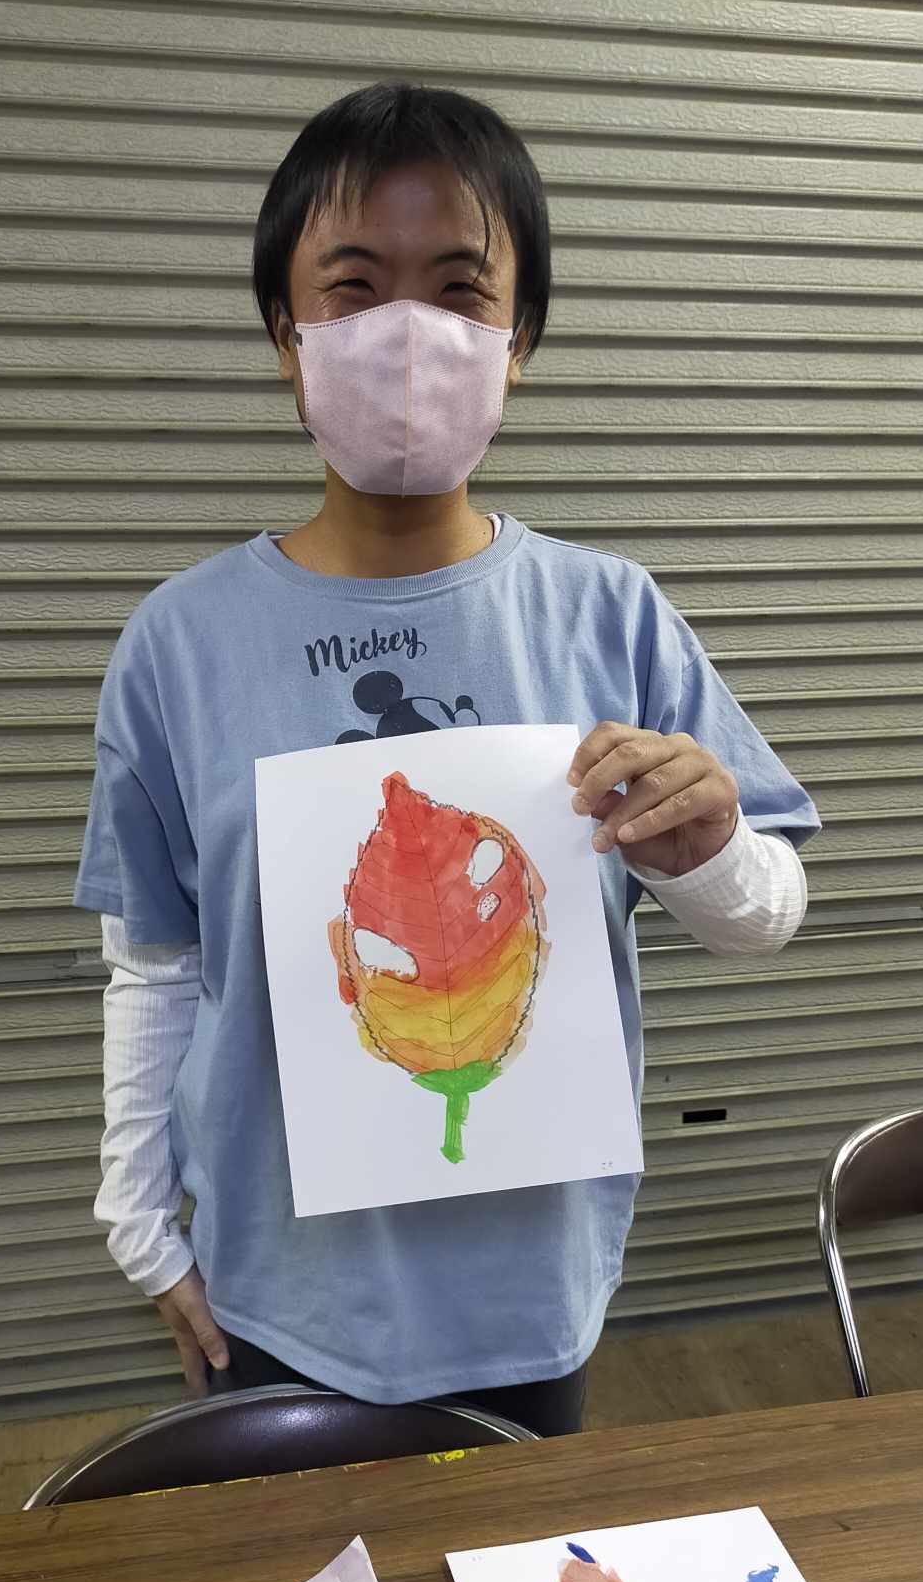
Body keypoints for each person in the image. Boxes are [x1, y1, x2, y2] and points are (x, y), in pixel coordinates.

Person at [74, 81, 820, 1438]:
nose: (407, 335)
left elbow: (765, 914)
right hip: (280, 1291)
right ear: (286, 335)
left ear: (517, 339)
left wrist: (709, 856)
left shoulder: (607, 613)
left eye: (460, 290)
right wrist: (141, 1226)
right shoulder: (179, 643)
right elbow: (157, 964)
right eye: (353, 288)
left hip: (528, 1287)